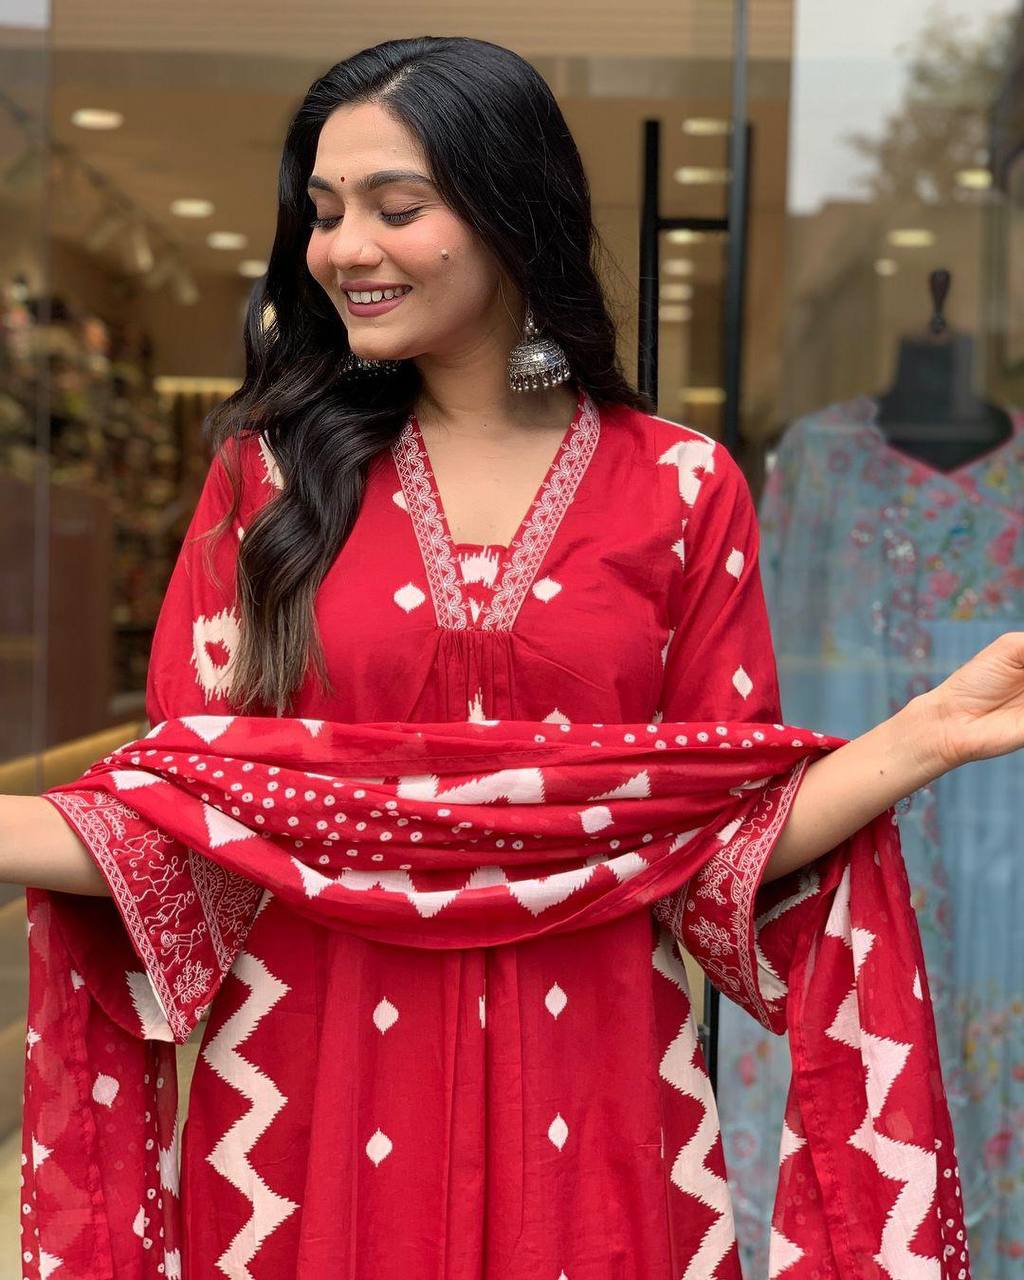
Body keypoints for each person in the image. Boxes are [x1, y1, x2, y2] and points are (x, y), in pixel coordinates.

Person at [4, 34, 1021, 1280]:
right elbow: (179, 820)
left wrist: (926, 736)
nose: (344, 249)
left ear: (506, 206)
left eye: (395, 205)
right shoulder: (269, 482)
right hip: (303, 1090)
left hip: (598, 1082)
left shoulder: (680, 488)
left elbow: (726, 832)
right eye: (323, 214)